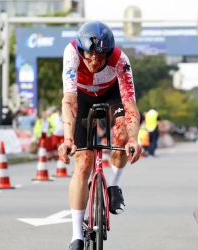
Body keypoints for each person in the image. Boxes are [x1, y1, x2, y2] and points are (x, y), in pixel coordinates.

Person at [57, 21, 142, 250]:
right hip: (82, 99)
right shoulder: (71, 53)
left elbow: (130, 105)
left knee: (122, 136)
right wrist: (67, 139)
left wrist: (133, 139)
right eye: (90, 56)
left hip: (112, 94)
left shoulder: (120, 60)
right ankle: (76, 235)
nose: (95, 61)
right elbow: (69, 100)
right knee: (83, 165)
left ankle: (114, 184)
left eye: (101, 56)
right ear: (81, 50)